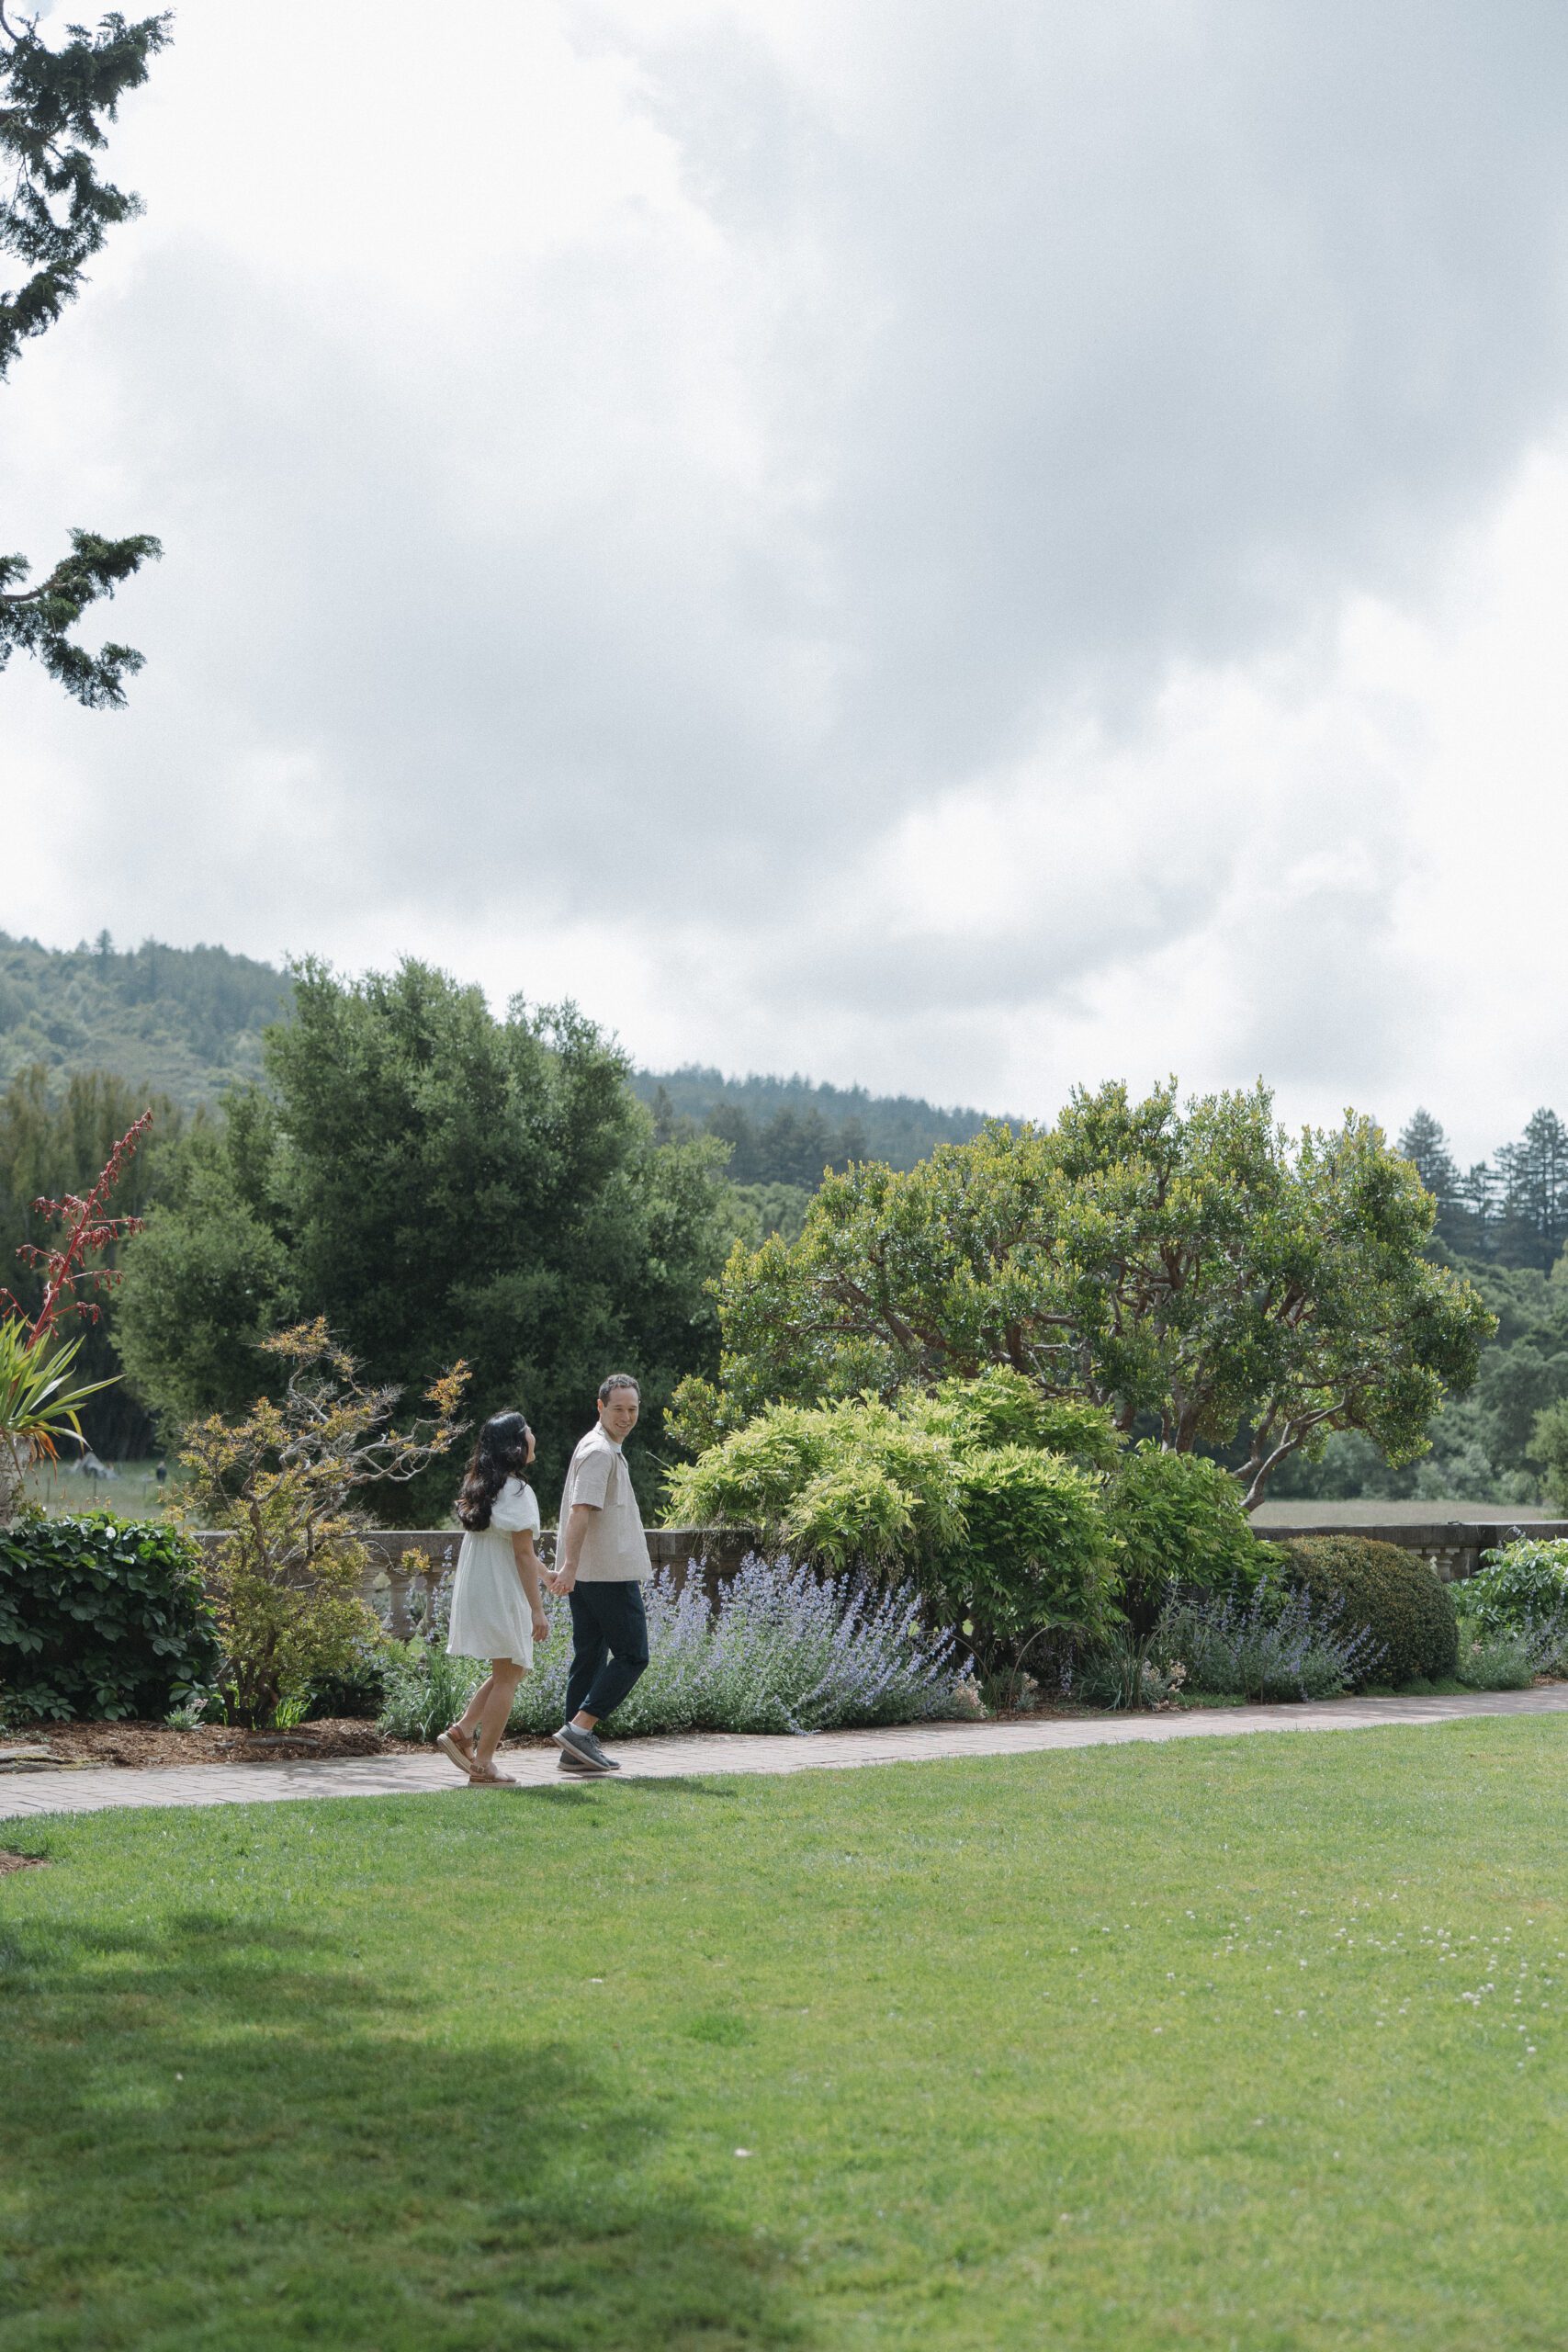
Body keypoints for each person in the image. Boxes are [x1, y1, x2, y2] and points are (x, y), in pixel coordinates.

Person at [437, 1410, 550, 1788]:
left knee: (511, 1670)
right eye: (529, 1431)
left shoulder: (483, 1487)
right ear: (516, 1445)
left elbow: (517, 1550)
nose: (534, 1435)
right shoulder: (518, 1490)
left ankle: (463, 1731)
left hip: (480, 1587)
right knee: (508, 1675)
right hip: (502, 1591)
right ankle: (483, 1765)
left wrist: (546, 1575)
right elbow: (520, 1554)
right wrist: (537, 1610)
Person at [545, 1374, 650, 1777]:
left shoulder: (603, 1448)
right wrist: (569, 1566)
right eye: (619, 1408)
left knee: (589, 1659)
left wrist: (574, 1569)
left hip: (592, 1574)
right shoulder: (600, 1452)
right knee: (633, 1655)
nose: (626, 1416)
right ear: (600, 1407)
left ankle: (574, 1754)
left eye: (633, 1409)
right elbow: (580, 1511)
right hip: (606, 1575)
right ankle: (580, 1730)